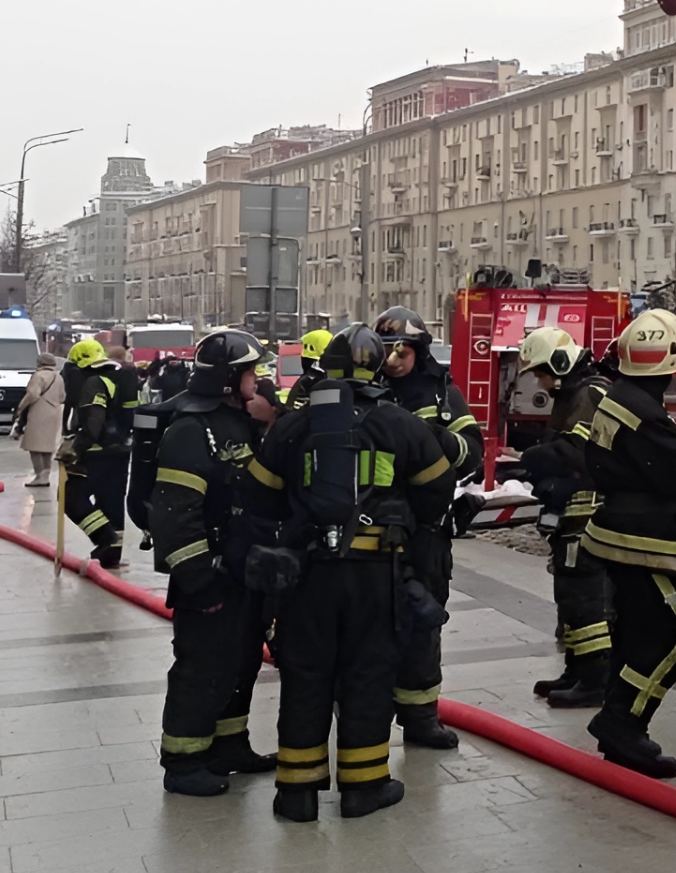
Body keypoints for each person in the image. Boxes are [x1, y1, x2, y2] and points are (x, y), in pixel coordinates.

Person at [244, 325, 460, 821]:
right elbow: (437, 490)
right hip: (374, 574)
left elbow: (259, 496)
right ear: (377, 368)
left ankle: (296, 794)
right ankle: (365, 788)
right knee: (368, 674)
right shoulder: (401, 423)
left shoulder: (294, 426)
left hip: (307, 575)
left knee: (305, 675)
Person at [578, 308, 676, 778]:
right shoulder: (646, 415)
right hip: (644, 539)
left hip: (620, 532)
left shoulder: (622, 397)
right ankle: (623, 721)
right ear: (672, 361)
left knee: (638, 631)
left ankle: (622, 722)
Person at [150, 329, 280, 796]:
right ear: (229, 379)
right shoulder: (191, 429)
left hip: (242, 572)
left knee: (240, 664)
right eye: (251, 371)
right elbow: (175, 516)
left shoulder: (239, 420)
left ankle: (229, 746)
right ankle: (183, 761)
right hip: (209, 575)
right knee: (201, 667)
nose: (258, 377)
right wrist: (199, 581)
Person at [374, 305, 485, 750]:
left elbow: (472, 453)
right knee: (375, 622)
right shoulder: (367, 390)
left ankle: (421, 717)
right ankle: (370, 713)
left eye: (402, 350)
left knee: (424, 624)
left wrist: (435, 437)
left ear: (419, 350)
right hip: (376, 528)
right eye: (386, 350)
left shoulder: (442, 394)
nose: (394, 359)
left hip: (426, 532)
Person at [517, 325, 614, 708]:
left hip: (589, 511)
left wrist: (532, 458)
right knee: (569, 594)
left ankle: (595, 679)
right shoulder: (573, 393)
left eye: (541, 371)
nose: (540, 380)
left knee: (587, 596)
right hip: (572, 510)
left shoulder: (590, 393)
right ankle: (576, 670)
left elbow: (578, 451)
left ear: (559, 362)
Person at [58, 337, 139, 568]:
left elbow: (94, 422)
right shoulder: (121, 377)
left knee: (69, 496)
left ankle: (105, 537)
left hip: (96, 453)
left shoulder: (94, 383)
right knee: (111, 501)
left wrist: (75, 449)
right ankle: (112, 555)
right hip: (121, 451)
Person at [13, 352, 66, 486]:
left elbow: (33, 394)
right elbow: (62, 397)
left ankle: (39, 475)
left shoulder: (38, 376)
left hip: (39, 412)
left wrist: (21, 406)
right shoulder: (58, 377)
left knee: (34, 446)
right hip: (54, 411)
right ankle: (46, 475)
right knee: (47, 446)